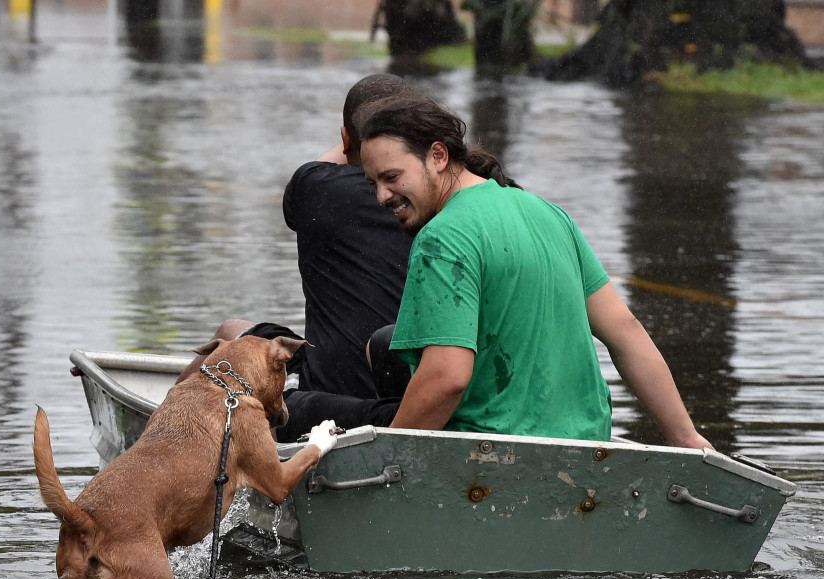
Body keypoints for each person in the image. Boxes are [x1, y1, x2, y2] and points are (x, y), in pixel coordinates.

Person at [356, 94, 713, 449]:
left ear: (437, 156)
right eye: (373, 183)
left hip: (492, 459)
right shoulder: (547, 213)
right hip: (591, 449)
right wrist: (685, 436)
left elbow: (447, 377)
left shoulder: (442, 237)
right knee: (392, 345)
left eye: (391, 177)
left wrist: (389, 455)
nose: (382, 197)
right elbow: (625, 331)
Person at [177, 74, 418, 440]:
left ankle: (162, 422)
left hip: (338, 405)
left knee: (231, 337)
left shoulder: (317, 188)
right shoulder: (445, 202)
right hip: (417, 390)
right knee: (234, 330)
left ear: (346, 138)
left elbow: (323, 165)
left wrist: (354, 140)